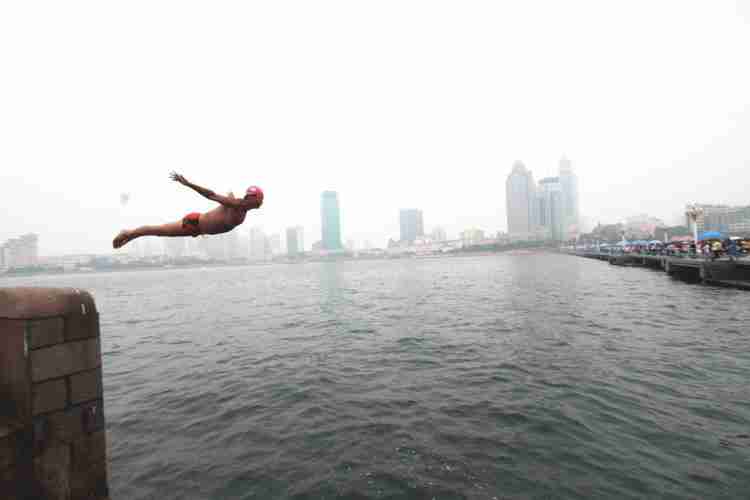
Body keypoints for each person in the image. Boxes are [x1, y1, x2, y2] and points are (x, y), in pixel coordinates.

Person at [113, 172, 263, 249]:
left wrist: (228, 199)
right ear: (254, 199)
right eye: (253, 198)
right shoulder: (236, 205)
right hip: (194, 223)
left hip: (199, 228)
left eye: (255, 199)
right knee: (159, 230)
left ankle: (130, 235)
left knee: (159, 231)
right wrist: (188, 184)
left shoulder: (238, 206)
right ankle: (128, 233)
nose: (256, 202)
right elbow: (210, 195)